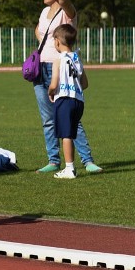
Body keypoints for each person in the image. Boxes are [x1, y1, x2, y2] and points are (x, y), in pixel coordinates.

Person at [33, 0, 102, 174]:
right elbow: (39, 32)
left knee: (70, 117)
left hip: (61, 69)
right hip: (41, 68)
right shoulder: (44, 11)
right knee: (48, 118)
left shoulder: (67, 12)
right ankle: (53, 160)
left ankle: (87, 160)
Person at [47, 25, 89, 180]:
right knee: (71, 133)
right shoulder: (77, 58)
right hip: (78, 101)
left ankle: (69, 169)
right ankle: (70, 167)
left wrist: (50, 92)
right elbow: (84, 83)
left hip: (64, 99)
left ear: (58, 42)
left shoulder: (58, 60)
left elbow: (53, 84)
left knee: (65, 135)